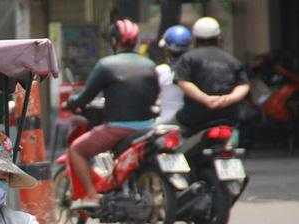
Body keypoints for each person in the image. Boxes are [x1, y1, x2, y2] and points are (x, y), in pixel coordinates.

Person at [61, 19, 159, 208]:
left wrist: (70, 103)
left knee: (76, 149)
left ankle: (91, 196)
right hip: (148, 127)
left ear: (115, 41)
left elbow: (86, 97)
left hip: (118, 128)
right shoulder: (150, 64)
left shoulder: (106, 65)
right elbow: (153, 95)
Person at [173, 17, 250, 129]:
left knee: (170, 131)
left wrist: (206, 99)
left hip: (193, 118)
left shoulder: (187, 58)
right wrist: (228, 99)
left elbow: (183, 82)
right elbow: (243, 85)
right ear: (218, 38)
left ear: (195, 38)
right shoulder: (233, 60)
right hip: (228, 117)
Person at [155, 25, 192, 124]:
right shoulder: (195, 69)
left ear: (166, 49)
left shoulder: (159, 71)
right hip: (190, 124)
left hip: (164, 124)